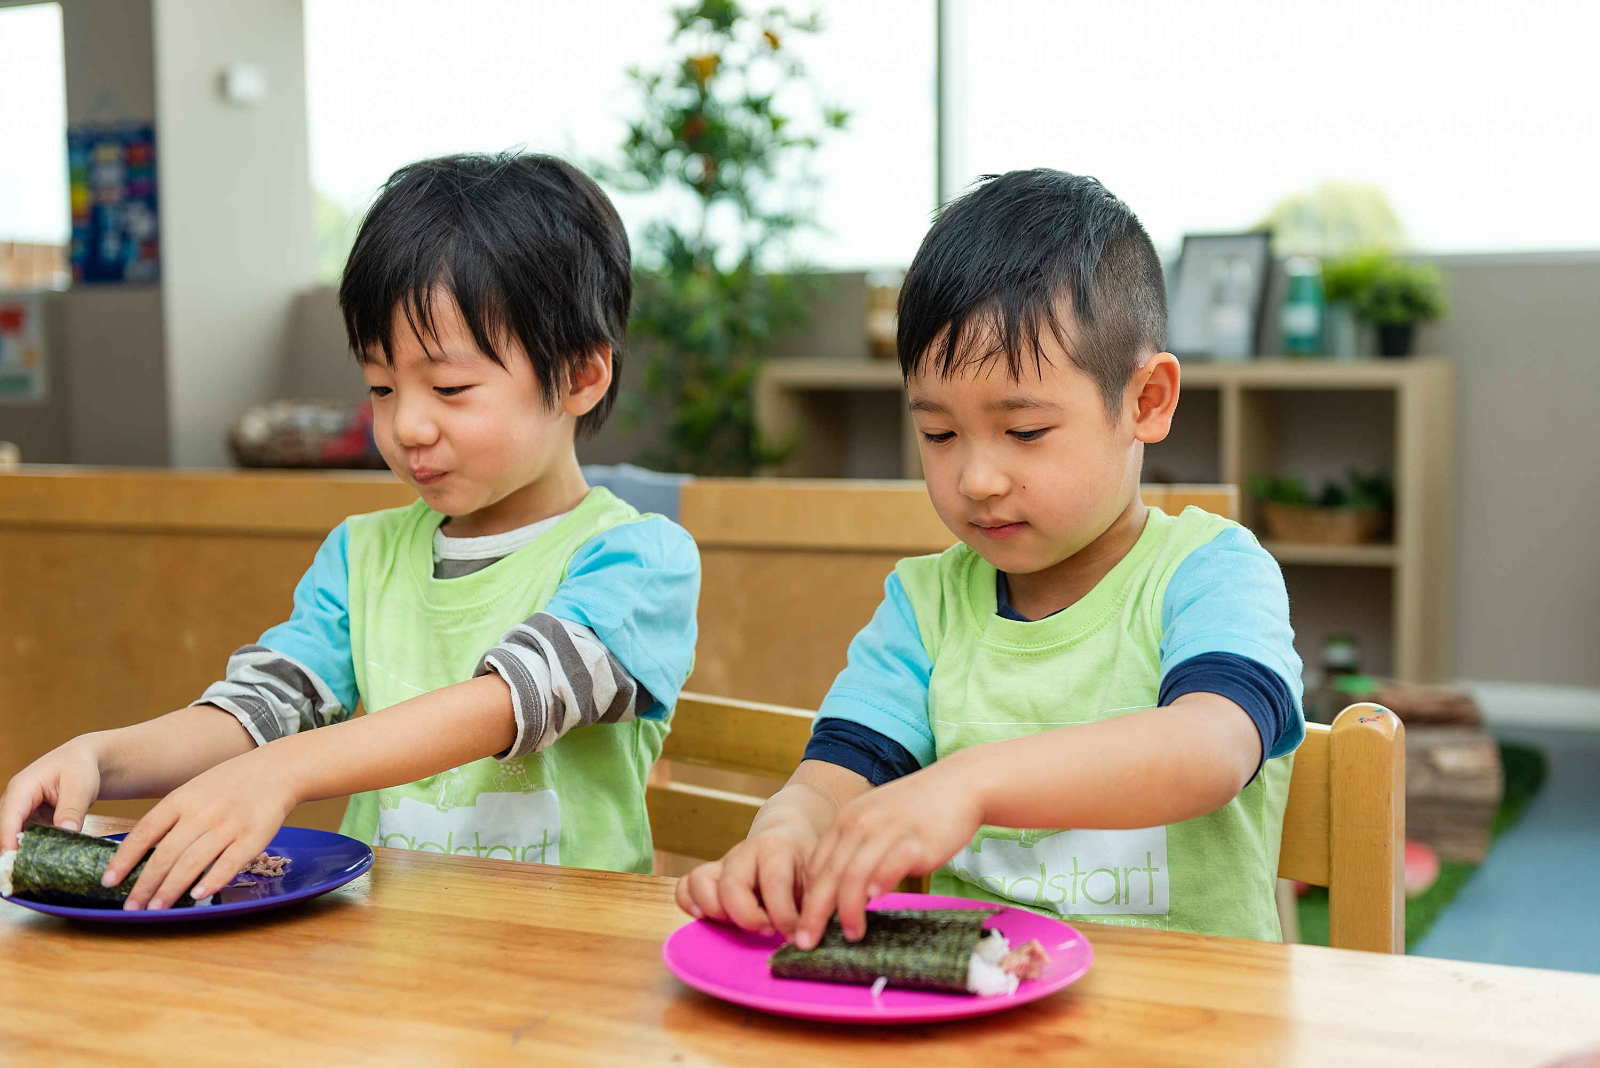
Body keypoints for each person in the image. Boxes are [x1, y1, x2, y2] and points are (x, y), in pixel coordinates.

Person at [0, 153, 699, 909]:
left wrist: (284, 771)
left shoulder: (638, 562)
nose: (406, 425)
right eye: (381, 386)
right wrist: (102, 757)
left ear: (580, 376)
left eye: (451, 388)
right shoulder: (360, 556)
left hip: (561, 976)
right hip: (382, 969)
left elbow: (510, 700)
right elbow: (257, 712)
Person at [676, 169, 1303, 946]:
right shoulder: (925, 607)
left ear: (1147, 402)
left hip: (1191, 1030)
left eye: (1026, 431)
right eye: (939, 435)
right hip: (976, 1016)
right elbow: (833, 780)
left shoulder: (1213, 572)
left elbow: (1209, 748)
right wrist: (785, 839)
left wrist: (968, 785)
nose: (975, 478)